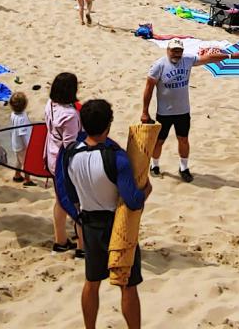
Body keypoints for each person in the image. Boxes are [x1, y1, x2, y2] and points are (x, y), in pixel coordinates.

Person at [55, 99, 150, 329]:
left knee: (92, 281)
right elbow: (133, 201)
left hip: (89, 224)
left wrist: (78, 217)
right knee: (127, 285)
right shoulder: (116, 158)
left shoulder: (70, 155)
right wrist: (146, 190)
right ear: (108, 124)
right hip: (116, 224)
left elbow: (67, 194)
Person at [141, 39, 237, 182]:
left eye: (179, 51)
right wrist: (144, 111)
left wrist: (230, 56)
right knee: (159, 141)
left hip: (183, 111)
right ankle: (154, 166)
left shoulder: (188, 60)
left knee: (183, 140)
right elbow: (148, 89)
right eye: (174, 50)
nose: (177, 54)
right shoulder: (158, 65)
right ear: (168, 50)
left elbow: (208, 59)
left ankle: (184, 168)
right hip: (164, 112)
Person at [45, 72, 82, 253]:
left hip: (51, 155)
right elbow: (70, 145)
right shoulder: (69, 115)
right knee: (75, 201)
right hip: (64, 162)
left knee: (60, 199)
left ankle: (60, 239)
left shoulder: (50, 104)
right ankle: (80, 243)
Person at [7, 92, 35, 186]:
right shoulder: (22, 118)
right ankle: (27, 180)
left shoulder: (13, 114)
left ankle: (17, 175)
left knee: (19, 161)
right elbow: (22, 134)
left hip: (16, 143)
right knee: (26, 163)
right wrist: (28, 146)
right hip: (22, 145)